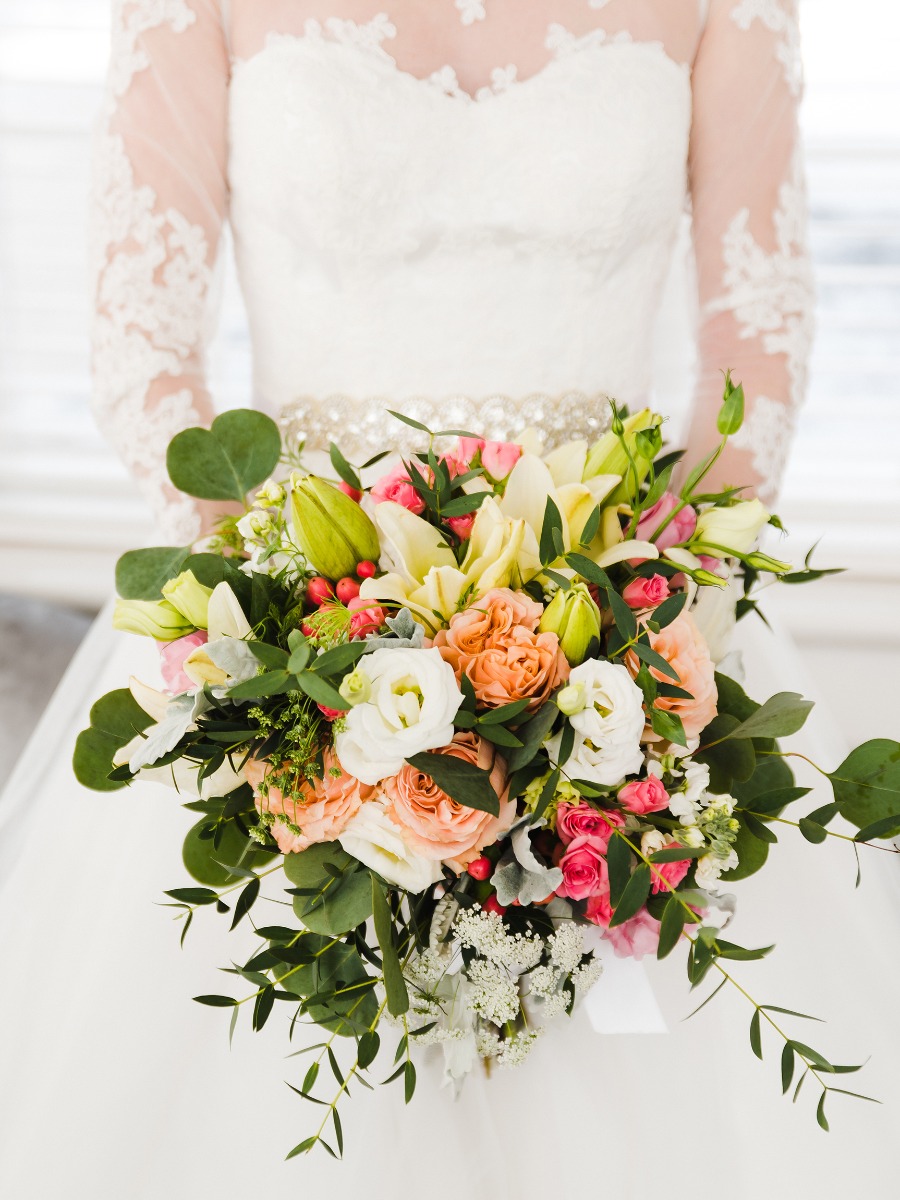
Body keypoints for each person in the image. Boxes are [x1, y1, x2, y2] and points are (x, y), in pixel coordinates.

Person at [0, 3, 897, 1197]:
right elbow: (140, 347)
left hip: (621, 641)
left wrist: (635, 656)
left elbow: (758, 345)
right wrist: (289, 651)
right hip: (293, 628)